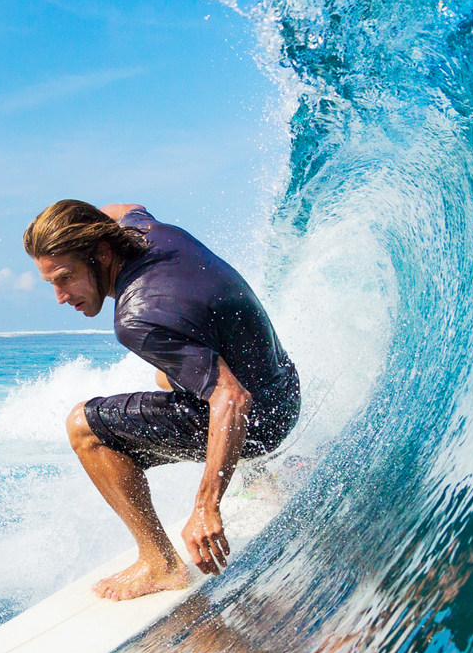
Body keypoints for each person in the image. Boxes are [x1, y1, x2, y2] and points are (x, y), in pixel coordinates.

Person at [24, 200, 301, 600]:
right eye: (50, 281)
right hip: (284, 388)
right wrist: (76, 223)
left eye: (66, 278)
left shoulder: (138, 318)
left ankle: (160, 565)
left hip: (261, 423)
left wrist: (207, 505)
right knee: (167, 372)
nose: (60, 296)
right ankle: (265, 475)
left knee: (84, 428)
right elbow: (125, 206)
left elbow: (231, 397)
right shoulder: (143, 231)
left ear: (101, 253)